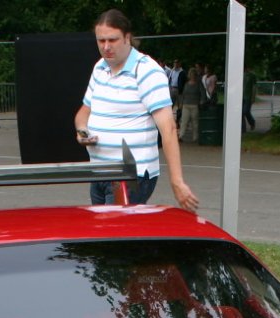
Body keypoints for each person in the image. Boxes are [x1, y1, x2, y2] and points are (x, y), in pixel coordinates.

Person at [74, 9, 198, 211]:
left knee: (113, 236)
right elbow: (83, 112)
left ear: (127, 38)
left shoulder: (147, 71)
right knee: (103, 236)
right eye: (101, 40)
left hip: (131, 176)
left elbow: (168, 129)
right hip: (98, 172)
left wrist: (177, 182)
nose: (106, 47)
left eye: (112, 40)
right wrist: (82, 131)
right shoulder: (99, 68)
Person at [178, 67, 202, 143]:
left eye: (193, 75)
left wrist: (201, 101)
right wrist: (181, 103)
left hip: (194, 104)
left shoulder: (198, 84)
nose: (192, 76)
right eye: (191, 75)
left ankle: (195, 137)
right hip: (186, 105)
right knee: (184, 122)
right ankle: (181, 135)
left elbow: (202, 93)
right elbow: (183, 94)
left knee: (195, 123)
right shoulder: (186, 84)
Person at [241, 66, 256, 132]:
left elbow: (254, 86)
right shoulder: (241, 74)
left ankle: (252, 122)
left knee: (246, 111)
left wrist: (253, 97)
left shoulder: (252, 75)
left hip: (248, 96)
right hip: (241, 96)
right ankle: (243, 129)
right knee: (241, 113)